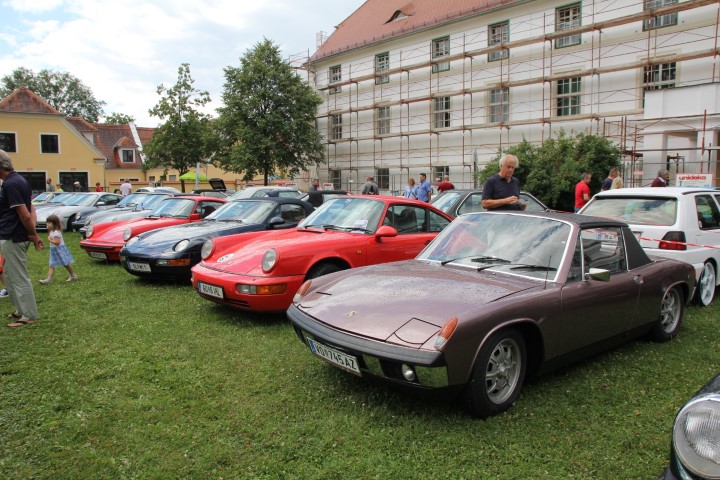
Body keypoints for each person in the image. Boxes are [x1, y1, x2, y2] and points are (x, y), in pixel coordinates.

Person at [0, 150, 44, 327]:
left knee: (18, 276)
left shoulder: (12, 184)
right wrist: (32, 234)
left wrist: (32, 234)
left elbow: (25, 214)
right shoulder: (18, 181)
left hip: (14, 236)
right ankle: (20, 310)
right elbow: (31, 208)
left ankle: (28, 315)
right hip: (13, 235)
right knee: (10, 274)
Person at [39, 214, 77, 284]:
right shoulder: (51, 231)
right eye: (47, 222)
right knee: (51, 264)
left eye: (49, 223)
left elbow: (57, 242)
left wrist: (49, 240)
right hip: (53, 250)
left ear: (54, 224)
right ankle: (48, 279)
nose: (48, 224)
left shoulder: (56, 232)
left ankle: (73, 275)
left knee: (65, 264)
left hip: (59, 250)